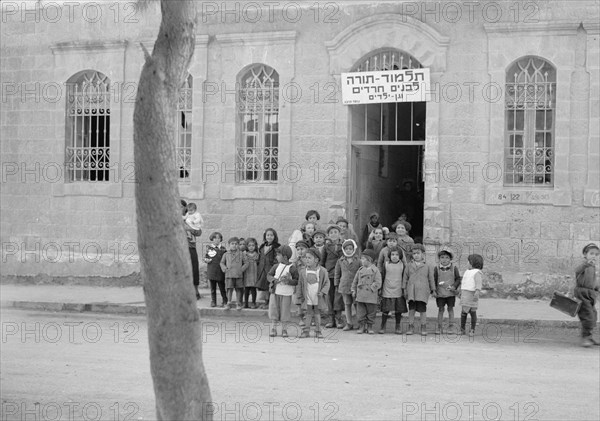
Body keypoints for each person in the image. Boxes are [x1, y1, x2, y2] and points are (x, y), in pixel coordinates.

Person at [297, 248, 330, 339]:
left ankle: (318, 331)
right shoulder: (303, 271)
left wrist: (323, 292)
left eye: (309, 258)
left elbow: (327, 283)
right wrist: (299, 295)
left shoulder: (322, 271)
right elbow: (300, 284)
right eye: (306, 258)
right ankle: (306, 331)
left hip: (317, 296)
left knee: (317, 313)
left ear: (316, 260)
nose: (306, 260)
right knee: (308, 313)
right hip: (308, 296)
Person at [403, 243, 435, 336]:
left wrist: (433, 289)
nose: (416, 255)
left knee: (422, 310)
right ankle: (410, 326)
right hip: (411, 291)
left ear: (423, 254)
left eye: (418, 253)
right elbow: (405, 278)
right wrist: (404, 288)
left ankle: (423, 327)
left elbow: (431, 278)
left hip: (422, 291)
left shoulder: (427, 266)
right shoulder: (409, 265)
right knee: (411, 309)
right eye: (414, 253)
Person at [267, 245, 299, 337]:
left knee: (285, 311)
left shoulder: (292, 268)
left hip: (286, 294)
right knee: (274, 310)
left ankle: (284, 329)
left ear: (284, 257)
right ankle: (273, 328)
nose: (276, 256)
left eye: (278, 255)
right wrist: (273, 280)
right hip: (275, 292)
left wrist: (288, 281)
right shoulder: (276, 266)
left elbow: (296, 281)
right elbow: (269, 275)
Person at [574, 243, 600, 347]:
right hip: (582, 294)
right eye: (591, 253)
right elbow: (577, 270)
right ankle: (585, 338)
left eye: (596, 254)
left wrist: (597, 289)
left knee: (593, 315)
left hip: (591, 294)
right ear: (585, 254)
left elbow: (593, 281)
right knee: (587, 316)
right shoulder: (583, 265)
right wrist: (586, 264)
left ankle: (589, 336)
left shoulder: (593, 267)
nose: (594, 256)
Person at [351, 249, 382, 335]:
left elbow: (378, 282)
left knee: (371, 312)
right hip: (361, 295)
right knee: (361, 312)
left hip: (371, 295)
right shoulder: (360, 270)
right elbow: (355, 281)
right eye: (361, 259)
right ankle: (361, 326)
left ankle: (369, 327)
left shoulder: (375, 270)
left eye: (363, 259)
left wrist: (371, 288)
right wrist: (353, 289)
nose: (361, 260)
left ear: (369, 260)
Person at [320, 225, 345, 328]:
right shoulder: (326, 247)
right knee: (329, 297)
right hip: (329, 274)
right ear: (328, 235)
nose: (333, 234)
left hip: (340, 274)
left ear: (339, 234)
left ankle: (339, 318)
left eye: (335, 232)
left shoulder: (343, 245)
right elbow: (322, 261)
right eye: (331, 233)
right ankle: (331, 318)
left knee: (338, 297)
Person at [334, 239, 361, 331]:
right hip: (344, 285)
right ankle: (349, 323)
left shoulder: (358, 260)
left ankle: (358, 323)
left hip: (355, 286)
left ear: (354, 249)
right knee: (347, 304)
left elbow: (361, 272)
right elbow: (337, 273)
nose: (348, 250)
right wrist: (336, 284)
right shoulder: (340, 261)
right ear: (343, 250)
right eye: (346, 249)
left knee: (357, 304)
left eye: (350, 248)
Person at [379, 249, 407, 334]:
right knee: (386, 309)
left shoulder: (403, 265)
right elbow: (382, 276)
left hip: (398, 289)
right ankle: (382, 326)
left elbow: (405, 278)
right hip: (387, 289)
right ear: (389, 256)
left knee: (398, 310)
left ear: (400, 256)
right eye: (392, 254)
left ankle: (397, 326)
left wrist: (404, 289)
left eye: (397, 255)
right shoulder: (386, 265)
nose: (394, 256)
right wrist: (380, 288)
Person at [434, 249, 462, 334]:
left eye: (447, 257)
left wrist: (454, 286)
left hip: (451, 294)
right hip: (440, 294)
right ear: (439, 259)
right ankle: (439, 327)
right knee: (440, 310)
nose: (444, 259)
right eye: (442, 257)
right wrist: (433, 291)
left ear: (450, 259)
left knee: (450, 309)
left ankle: (451, 327)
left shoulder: (454, 268)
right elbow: (434, 280)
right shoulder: (436, 268)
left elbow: (458, 279)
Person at [181, 199, 202, 300]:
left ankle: (195, 291)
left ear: (185, 208)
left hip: (190, 247)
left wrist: (190, 229)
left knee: (194, 269)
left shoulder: (190, 218)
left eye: (181, 207)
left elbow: (199, 232)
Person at [220, 237, 248, 310]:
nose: (234, 245)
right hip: (229, 275)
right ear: (229, 245)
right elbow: (222, 263)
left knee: (238, 289)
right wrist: (224, 268)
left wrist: (241, 269)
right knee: (229, 289)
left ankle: (238, 303)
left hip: (238, 275)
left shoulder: (241, 254)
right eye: (232, 244)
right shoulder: (226, 254)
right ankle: (228, 302)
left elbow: (246, 263)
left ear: (238, 245)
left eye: (236, 244)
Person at [459, 254, 484, 337]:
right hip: (465, 295)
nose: (467, 263)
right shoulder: (467, 272)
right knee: (463, 312)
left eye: (468, 261)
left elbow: (478, 283)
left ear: (472, 263)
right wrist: (460, 292)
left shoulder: (477, 273)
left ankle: (472, 329)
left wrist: (477, 292)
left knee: (473, 312)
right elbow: (464, 283)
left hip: (472, 295)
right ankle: (462, 329)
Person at [256, 228, 280, 309]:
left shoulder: (276, 247)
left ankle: (270, 302)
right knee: (264, 286)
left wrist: (274, 267)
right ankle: (266, 301)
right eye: (268, 235)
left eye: (271, 235)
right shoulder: (262, 246)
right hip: (262, 269)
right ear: (265, 236)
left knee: (270, 286)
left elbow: (277, 259)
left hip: (270, 269)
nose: (269, 237)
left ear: (274, 236)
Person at [204, 232, 227, 307]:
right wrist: (206, 260)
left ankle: (225, 300)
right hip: (212, 270)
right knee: (213, 288)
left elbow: (226, 259)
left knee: (222, 287)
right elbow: (205, 257)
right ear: (212, 239)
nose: (217, 240)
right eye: (215, 238)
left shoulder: (223, 249)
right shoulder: (209, 248)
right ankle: (213, 301)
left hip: (220, 270)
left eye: (218, 238)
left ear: (221, 239)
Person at [292, 240, 310, 326]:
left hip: (308, 284)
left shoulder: (309, 260)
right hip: (299, 285)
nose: (300, 251)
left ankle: (308, 318)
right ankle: (301, 318)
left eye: (302, 249)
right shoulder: (296, 262)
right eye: (298, 249)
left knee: (308, 302)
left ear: (307, 249)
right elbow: (293, 273)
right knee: (299, 302)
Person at [242, 238, 260, 309]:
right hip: (247, 274)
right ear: (247, 246)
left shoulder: (257, 255)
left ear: (255, 246)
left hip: (254, 274)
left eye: (253, 245)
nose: (251, 247)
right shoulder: (244, 254)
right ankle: (246, 303)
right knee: (246, 290)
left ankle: (253, 303)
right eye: (249, 245)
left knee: (253, 290)